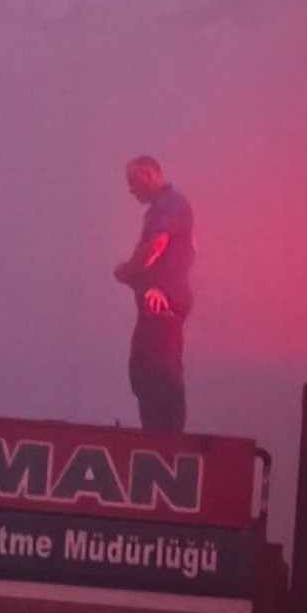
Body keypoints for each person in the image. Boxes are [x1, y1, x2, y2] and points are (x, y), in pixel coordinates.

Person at [114, 157, 195, 433]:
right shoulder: (165, 207)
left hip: (163, 309)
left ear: (149, 174)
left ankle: (164, 444)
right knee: (144, 373)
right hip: (156, 308)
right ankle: (157, 438)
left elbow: (155, 246)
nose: (131, 190)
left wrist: (129, 270)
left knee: (158, 375)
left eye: (133, 181)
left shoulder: (171, 205)